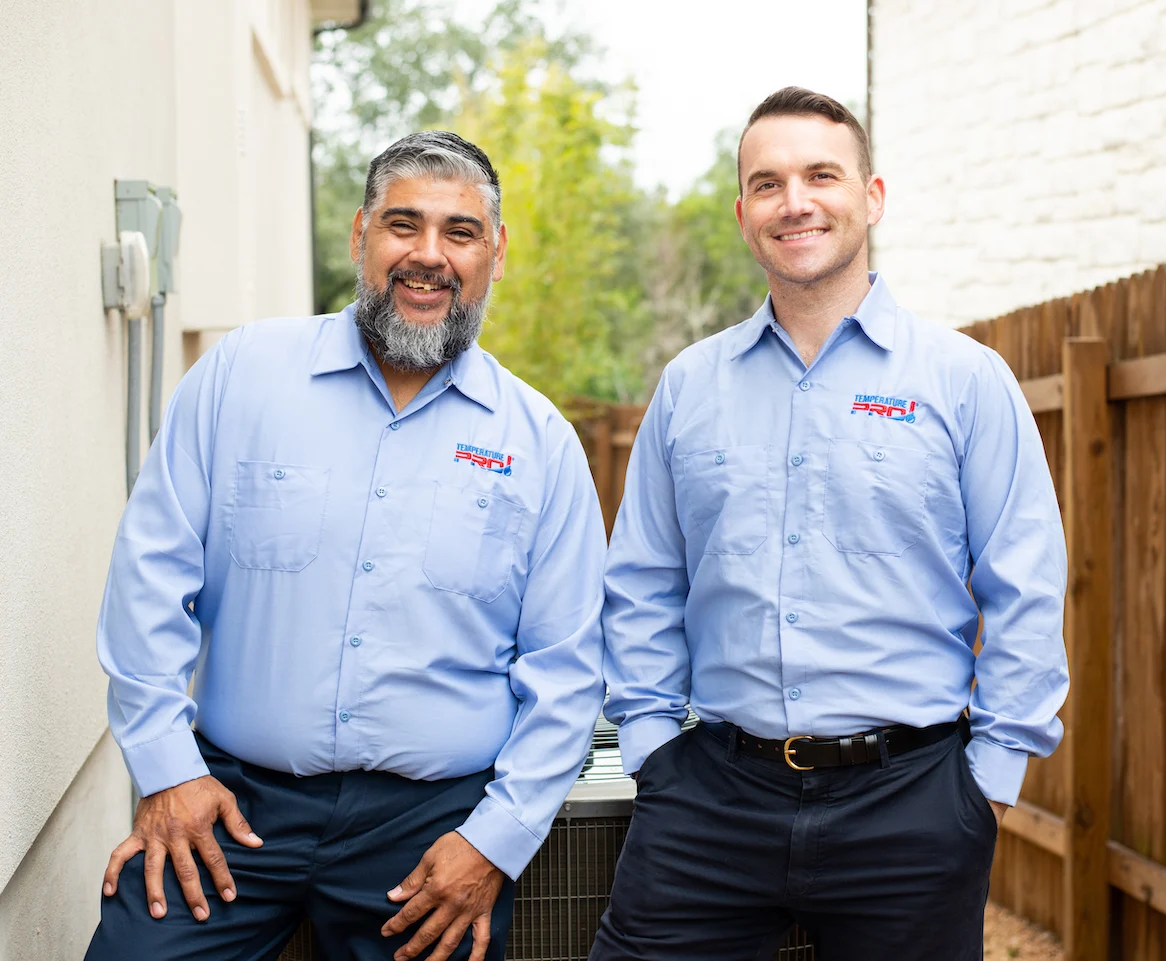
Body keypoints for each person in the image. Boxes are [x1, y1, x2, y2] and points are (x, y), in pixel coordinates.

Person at [87, 130, 607, 961]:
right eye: (403, 225)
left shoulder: (540, 442)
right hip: (227, 801)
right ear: (361, 235)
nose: (428, 256)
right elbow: (150, 577)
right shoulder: (241, 376)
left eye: (460, 232)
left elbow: (569, 668)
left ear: (495, 253)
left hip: (432, 830)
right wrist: (166, 768)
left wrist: (495, 840)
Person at [594, 88, 1069, 961]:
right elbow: (643, 582)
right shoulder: (690, 389)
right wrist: (657, 751)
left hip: (913, 805)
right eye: (767, 183)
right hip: (711, 798)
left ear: (871, 196)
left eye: (821, 174)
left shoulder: (966, 380)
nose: (796, 201)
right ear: (744, 214)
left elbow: (1027, 583)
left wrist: (989, 783)